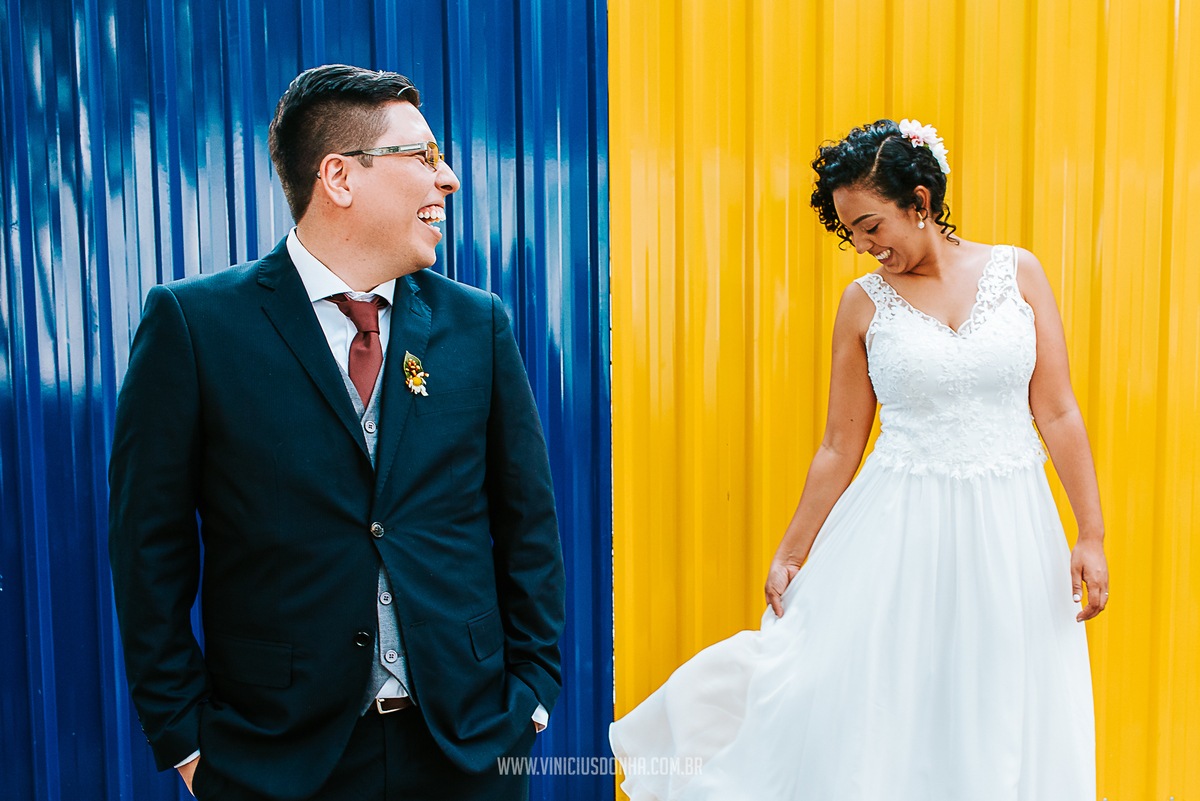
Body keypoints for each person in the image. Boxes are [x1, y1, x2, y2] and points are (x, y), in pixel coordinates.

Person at [609, 118, 1108, 800]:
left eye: (872, 225)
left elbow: (1058, 411)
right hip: (899, 533)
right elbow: (840, 445)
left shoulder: (1018, 273)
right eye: (850, 232)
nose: (864, 245)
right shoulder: (861, 305)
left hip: (1011, 528)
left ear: (921, 202)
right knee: (876, 701)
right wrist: (792, 549)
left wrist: (1091, 533)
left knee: (1002, 703)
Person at [108, 64, 565, 801]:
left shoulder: (477, 323)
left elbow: (528, 526)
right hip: (278, 757)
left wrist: (532, 696)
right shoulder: (194, 327)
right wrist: (187, 740)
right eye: (421, 156)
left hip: (466, 747)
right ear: (339, 177)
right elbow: (146, 548)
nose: (446, 178)